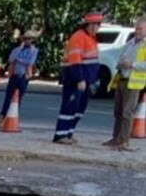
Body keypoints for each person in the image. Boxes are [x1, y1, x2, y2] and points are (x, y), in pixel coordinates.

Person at [52, 12, 103, 145]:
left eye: (97, 25)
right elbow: (75, 60)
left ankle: (68, 133)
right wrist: (80, 79)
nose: (95, 28)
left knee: (79, 109)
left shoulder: (91, 38)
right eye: (93, 25)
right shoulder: (79, 37)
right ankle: (60, 135)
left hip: (85, 81)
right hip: (75, 80)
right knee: (69, 107)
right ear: (87, 25)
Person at [104, 16, 146, 151]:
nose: (137, 31)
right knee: (118, 111)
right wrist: (120, 63)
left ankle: (123, 141)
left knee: (127, 113)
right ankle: (115, 138)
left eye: (140, 29)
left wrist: (132, 64)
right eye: (136, 28)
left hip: (133, 82)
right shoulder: (131, 42)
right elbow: (121, 57)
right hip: (121, 78)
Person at [0, 30, 39, 128]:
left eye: (29, 39)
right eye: (25, 38)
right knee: (8, 96)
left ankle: (13, 115)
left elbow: (30, 62)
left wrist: (19, 60)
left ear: (32, 40)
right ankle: (3, 115)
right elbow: (11, 59)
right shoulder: (17, 49)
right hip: (14, 75)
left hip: (24, 76)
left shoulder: (34, 51)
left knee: (19, 97)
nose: (27, 40)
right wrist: (20, 49)